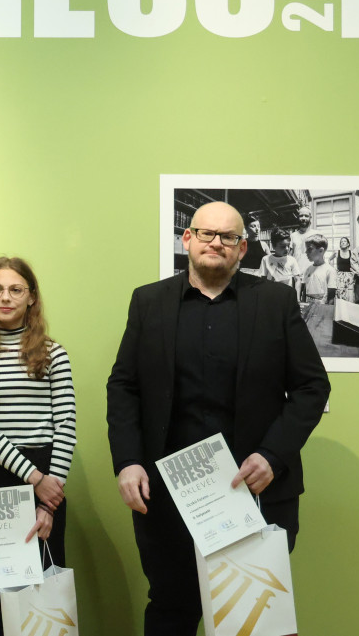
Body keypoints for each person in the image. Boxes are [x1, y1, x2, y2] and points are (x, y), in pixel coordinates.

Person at [106, 201, 330, 636]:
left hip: (255, 490)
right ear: (187, 239)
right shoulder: (148, 301)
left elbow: (311, 387)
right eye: (207, 233)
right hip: (168, 496)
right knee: (171, 611)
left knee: (254, 620)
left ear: (243, 248)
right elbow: (124, 386)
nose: (216, 243)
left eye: (228, 237)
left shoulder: (276, 301)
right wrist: (128, 461)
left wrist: (273, 455)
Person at [0, 257, 76, 636]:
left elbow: (66, 425)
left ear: (31, 297)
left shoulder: (54, 354)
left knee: (39, 591)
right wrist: (34, 478)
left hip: (47, 478)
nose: (5, 297)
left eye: (15, 289)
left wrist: (48, 497)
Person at [258, 228, 300, 296]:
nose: (287, 249)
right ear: (273, 246)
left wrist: (297, 297)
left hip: (287, 295)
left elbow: (297, 280)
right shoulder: (266, 259)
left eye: (288, 245)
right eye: (282, 246)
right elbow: (263, 279)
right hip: (271, 294)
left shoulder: (292, 260)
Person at [300, 234, 337, 303]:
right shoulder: (308, 270)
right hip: (308, 307)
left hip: (322, 308)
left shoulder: (330, 270)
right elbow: (304, 292)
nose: (306, 252)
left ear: (321, 251)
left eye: (309, 249)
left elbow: (331, 297)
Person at [331, 236, 355, 302]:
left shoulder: (352, 253)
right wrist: (333, 269)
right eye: (341, 242)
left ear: (348, 244)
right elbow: (329, 259)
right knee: (340, 294)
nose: (343, 243)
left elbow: (356, 263)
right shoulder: (337, 252)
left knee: (349, 294)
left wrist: (354, 272)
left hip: (349, 276)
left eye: (344, 241)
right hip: (340, 276)